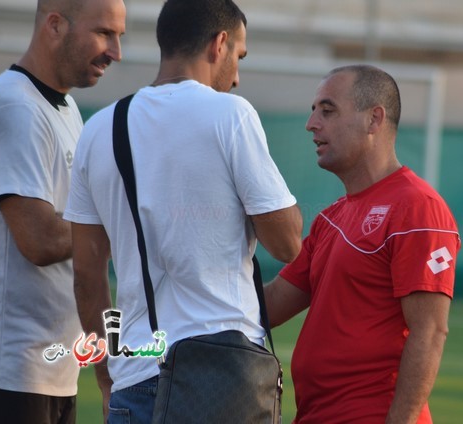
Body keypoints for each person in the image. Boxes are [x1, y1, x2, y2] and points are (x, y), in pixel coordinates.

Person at [63, 0, 303, 422]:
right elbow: (286, 243)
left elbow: (87, 275)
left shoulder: (98, 129)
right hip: (223, 373)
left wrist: (107, 378)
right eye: (239, 57)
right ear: (220, 44)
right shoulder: (231, 115)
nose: (237, 77)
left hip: (134, 375)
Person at [264, 65, 461, 424]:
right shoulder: (332, 218)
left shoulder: (418, 208)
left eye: (327, 110)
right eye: (313, 111)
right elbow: (272, 304)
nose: (311, 124)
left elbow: (429, 330)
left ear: (374, 119)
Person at [0, 0, 125, 423]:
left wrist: (105, 368)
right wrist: (124, 225)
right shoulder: (12, 108)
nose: (116, 51)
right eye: (104, 33)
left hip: (52, 374)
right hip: (6, 378)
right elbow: (38, 240)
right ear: (55, 25)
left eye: (119, 37)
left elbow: (86, 257)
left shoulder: (67, 110)